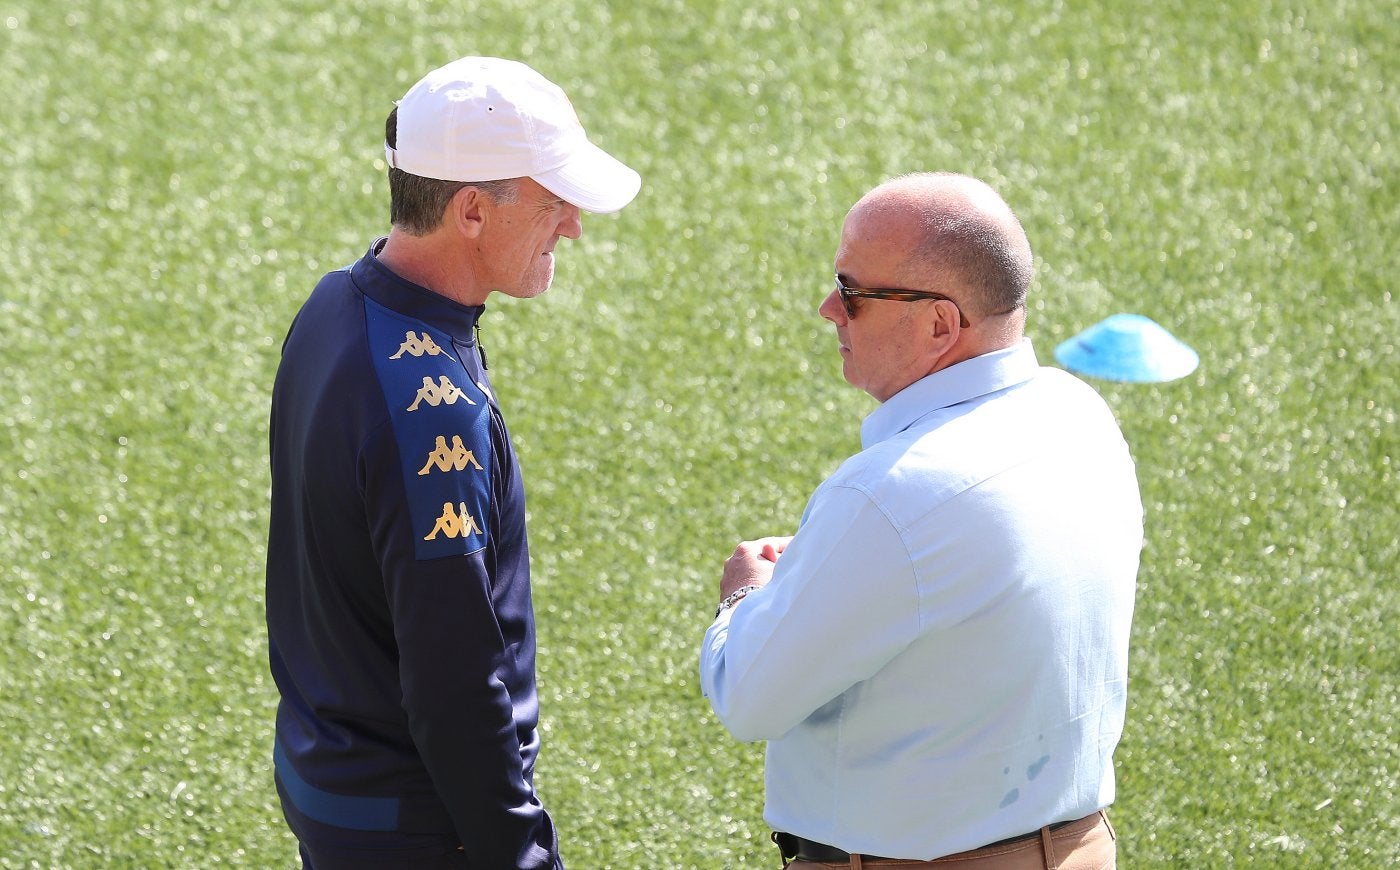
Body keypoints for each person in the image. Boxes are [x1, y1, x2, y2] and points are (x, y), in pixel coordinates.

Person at [699, 173, 1143, 869]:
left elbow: (750, 698)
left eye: (852, 293)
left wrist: (747, 594)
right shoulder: (1078, 414)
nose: (827, 309)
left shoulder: (890, 494)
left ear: (940, 323)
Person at [266, 56, 639, 869]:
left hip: (335, 774)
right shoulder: (429, 409)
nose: (573, 224)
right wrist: (518, 852)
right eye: (551, 202)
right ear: (471, 210)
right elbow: (454, 684)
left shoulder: (337, 302)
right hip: (417, 825)